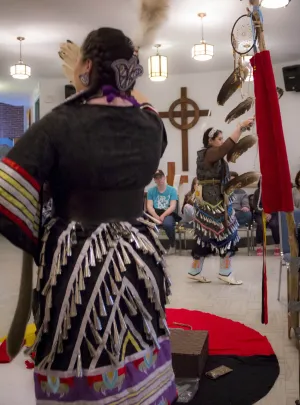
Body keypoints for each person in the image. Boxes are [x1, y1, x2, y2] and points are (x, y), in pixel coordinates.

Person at [0, 28, 176, 405]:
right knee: (140, 335)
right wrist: (97, 78)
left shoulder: (58, 123)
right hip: (139, 255)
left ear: (88, 66)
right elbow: (144, 106)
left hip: (78, 262)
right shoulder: (150, 126)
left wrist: (39, 228)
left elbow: (9, 186)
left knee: (77, 346)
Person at [188, 119, 254, 285]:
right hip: (213, 204)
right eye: (219, 139)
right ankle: (225, 272)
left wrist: (243, 130)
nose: (222, 142)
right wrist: (239, 127)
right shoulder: (209, 153)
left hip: (214, 201)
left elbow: (227, 148)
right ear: (210, 141)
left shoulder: (211, 154)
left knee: (206, 235)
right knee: (227, 232)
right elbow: (226, 148)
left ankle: (195, 270)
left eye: (222, 138)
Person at [146, 170, 179, 254]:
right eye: (156, 178)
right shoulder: (150, 191)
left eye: (160, 177)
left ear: (164, 177)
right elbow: (149, 206)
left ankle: (172, 244)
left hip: (168, 213)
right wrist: (155, 216)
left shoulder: (172, 190)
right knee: (145, 224)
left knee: (167, 224)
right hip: (155, 213)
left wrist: (163, 215)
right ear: (154, 180)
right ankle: (151, 246)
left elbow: (172, 206)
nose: (159, 180)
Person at [253, 179, 280, 256]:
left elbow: (276, 205)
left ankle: (277, 245)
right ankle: (259, 245)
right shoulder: (257, 192)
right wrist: (263, 212)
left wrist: (270, 213)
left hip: (272, 214)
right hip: (259, 213)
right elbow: (255, 206)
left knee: (275, 224)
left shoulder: (274, 192)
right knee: (261, 224)